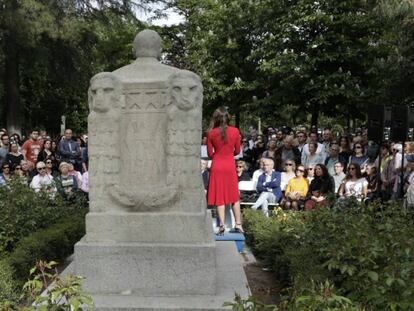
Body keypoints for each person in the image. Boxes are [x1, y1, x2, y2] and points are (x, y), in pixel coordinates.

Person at [206, 106, 243, 235]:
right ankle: (238, 225)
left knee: (219, 197)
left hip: (217, 166)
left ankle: (221, 226)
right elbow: (238, 151)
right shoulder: (235, 131)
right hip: (229, 165)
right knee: (234, 196)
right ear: (228, 117)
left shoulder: (211, 133)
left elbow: (210, 154)